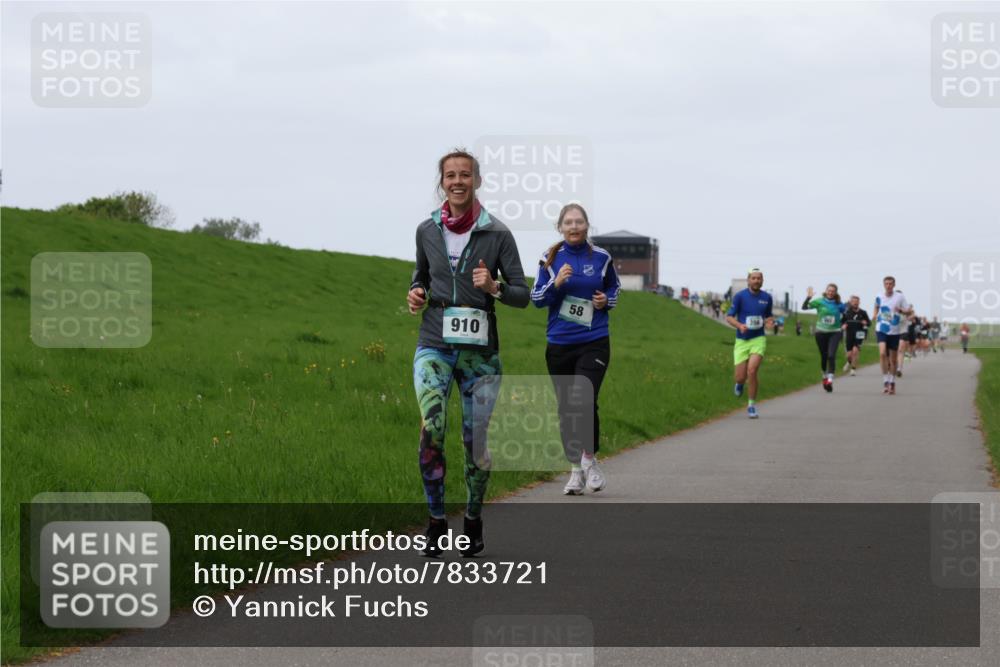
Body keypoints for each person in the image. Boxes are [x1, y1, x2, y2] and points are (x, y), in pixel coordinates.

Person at [407, 149, 529, 557]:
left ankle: (473, 519)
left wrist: (494, 287)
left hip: (480, 353)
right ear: (442, 182)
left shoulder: (498, 233)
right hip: (434, 343)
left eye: (465, 175)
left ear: (477, 180)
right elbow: (421, 276)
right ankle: (436, 521)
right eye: (450, 175)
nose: (457, 181)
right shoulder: (427, 230)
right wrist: (416, 292)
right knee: (432, 429)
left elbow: (522, 294)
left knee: (475, 442)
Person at [532, 204, 620, 495]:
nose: (573, 227)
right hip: (560, 343)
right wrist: (556, 283)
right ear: (560, 227)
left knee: (584, 399)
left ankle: (589, 461)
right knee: (567, 409)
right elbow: (537, 298)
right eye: (568, 222)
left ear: (586, 225)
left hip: (594, 340)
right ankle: (574, 470)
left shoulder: (602, 257)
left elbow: (614, 289)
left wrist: (605, 301)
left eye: (578, 222)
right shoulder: (549, 258)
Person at [726, 268, 774, 418]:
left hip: (758, 339)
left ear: (762, 280)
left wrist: (770, 322)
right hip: (742, 340)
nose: (756, 280)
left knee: (752, 371)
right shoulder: (740, 296)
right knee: (740, 377)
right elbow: (729, 317)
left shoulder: (767, 297)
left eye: (759, 278)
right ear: (748, 280)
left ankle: (751, 405)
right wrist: (739, 325)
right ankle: (740, 383)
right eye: (753, 278)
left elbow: (768, 316)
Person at [873, 276, 913, 395]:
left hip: (895, 331)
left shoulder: (899, 297)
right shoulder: (879, 295)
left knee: (893, 360)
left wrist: (900, 310)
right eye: (886, 283)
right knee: (882, 353)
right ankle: (885, 380)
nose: (888, 285)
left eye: (890, 283)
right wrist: (875, 315)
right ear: (884, 285)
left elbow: (909, 311)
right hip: (881, 328)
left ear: (894, 285)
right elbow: (876, 306)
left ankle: (892, 381)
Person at [802, 284, 847, 392]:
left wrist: (844, 324)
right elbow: (804, 307)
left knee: (831, 355)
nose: (830, 292)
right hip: (821, 332)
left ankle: (830, 380)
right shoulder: (819, 301)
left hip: (834, 332)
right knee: (824, 355)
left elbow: (845, 315)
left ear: (835, 293)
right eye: (829, 290)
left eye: (833, 291)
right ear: (826, 291)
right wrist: (808, 297)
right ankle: (824, 376)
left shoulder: (839, 304)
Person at [841, 295, 871, 376]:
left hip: (860, 334)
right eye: (853, 302)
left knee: (855, 351)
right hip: (849, 334)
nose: (855, 303)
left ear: (859, 302)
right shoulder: (846, 312)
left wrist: (866, 323)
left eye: (856, 302)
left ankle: (853, 369)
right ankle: (849, 361)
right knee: (849, 354)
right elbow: (842, 322)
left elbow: (869, 323)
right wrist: (843, 325)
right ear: (850, 302)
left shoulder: (863, 312)